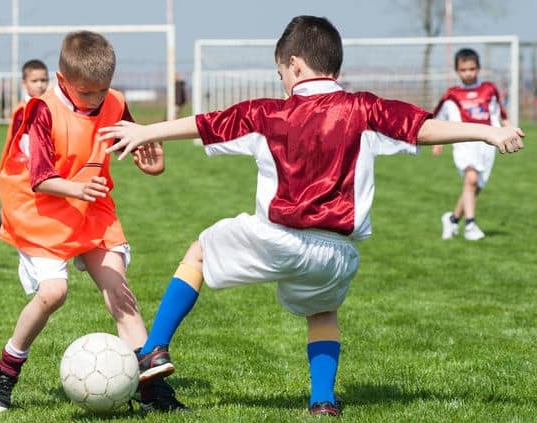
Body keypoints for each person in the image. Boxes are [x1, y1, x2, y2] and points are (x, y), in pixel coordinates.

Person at [98, 16, 523, 417]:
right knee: (322, 314)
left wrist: (147, 131)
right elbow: (424, 128)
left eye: (280, 70)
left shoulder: (267, 112)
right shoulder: (365, 109)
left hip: (279, 236)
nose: (280, 79)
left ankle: (154, 349)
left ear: (295, 65)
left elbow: (206, 124)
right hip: (337, 252)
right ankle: (322, 402)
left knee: (199, 252)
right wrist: (489, 131)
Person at [0, 30, 187, 414]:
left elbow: (135, 143)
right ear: (62, 81)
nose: (96, 100)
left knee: (119, 291)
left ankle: (152, 392)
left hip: (91, 207)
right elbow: (41, 177)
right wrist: (76, 190)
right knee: (53, 293)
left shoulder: (114, 102)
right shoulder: (42, 111)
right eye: (86, 93)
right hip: (40, 211)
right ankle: (5, 370)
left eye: (102, 91)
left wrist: (152, 164)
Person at [432, 48, 509, 241]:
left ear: (479, 68)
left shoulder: (489, 90)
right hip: (464, 143)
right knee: (471, 180)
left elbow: (500, 114)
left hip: (487, 144)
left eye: (472, 68)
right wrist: (438, 142)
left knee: (475, 187)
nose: (469, 73)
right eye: (464, 69)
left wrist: (508, 130)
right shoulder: (452, 94)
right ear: (457, 71)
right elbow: (438, 118)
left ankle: (452, 219)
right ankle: (470, 225)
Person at [0, 59, 50, 238]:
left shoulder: (50, 107)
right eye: (35, 81)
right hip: (26, 168)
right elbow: (16, 144)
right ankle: (6, 215)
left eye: (43, 80)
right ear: (24, 83)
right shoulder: (22, 111)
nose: (40, 85)